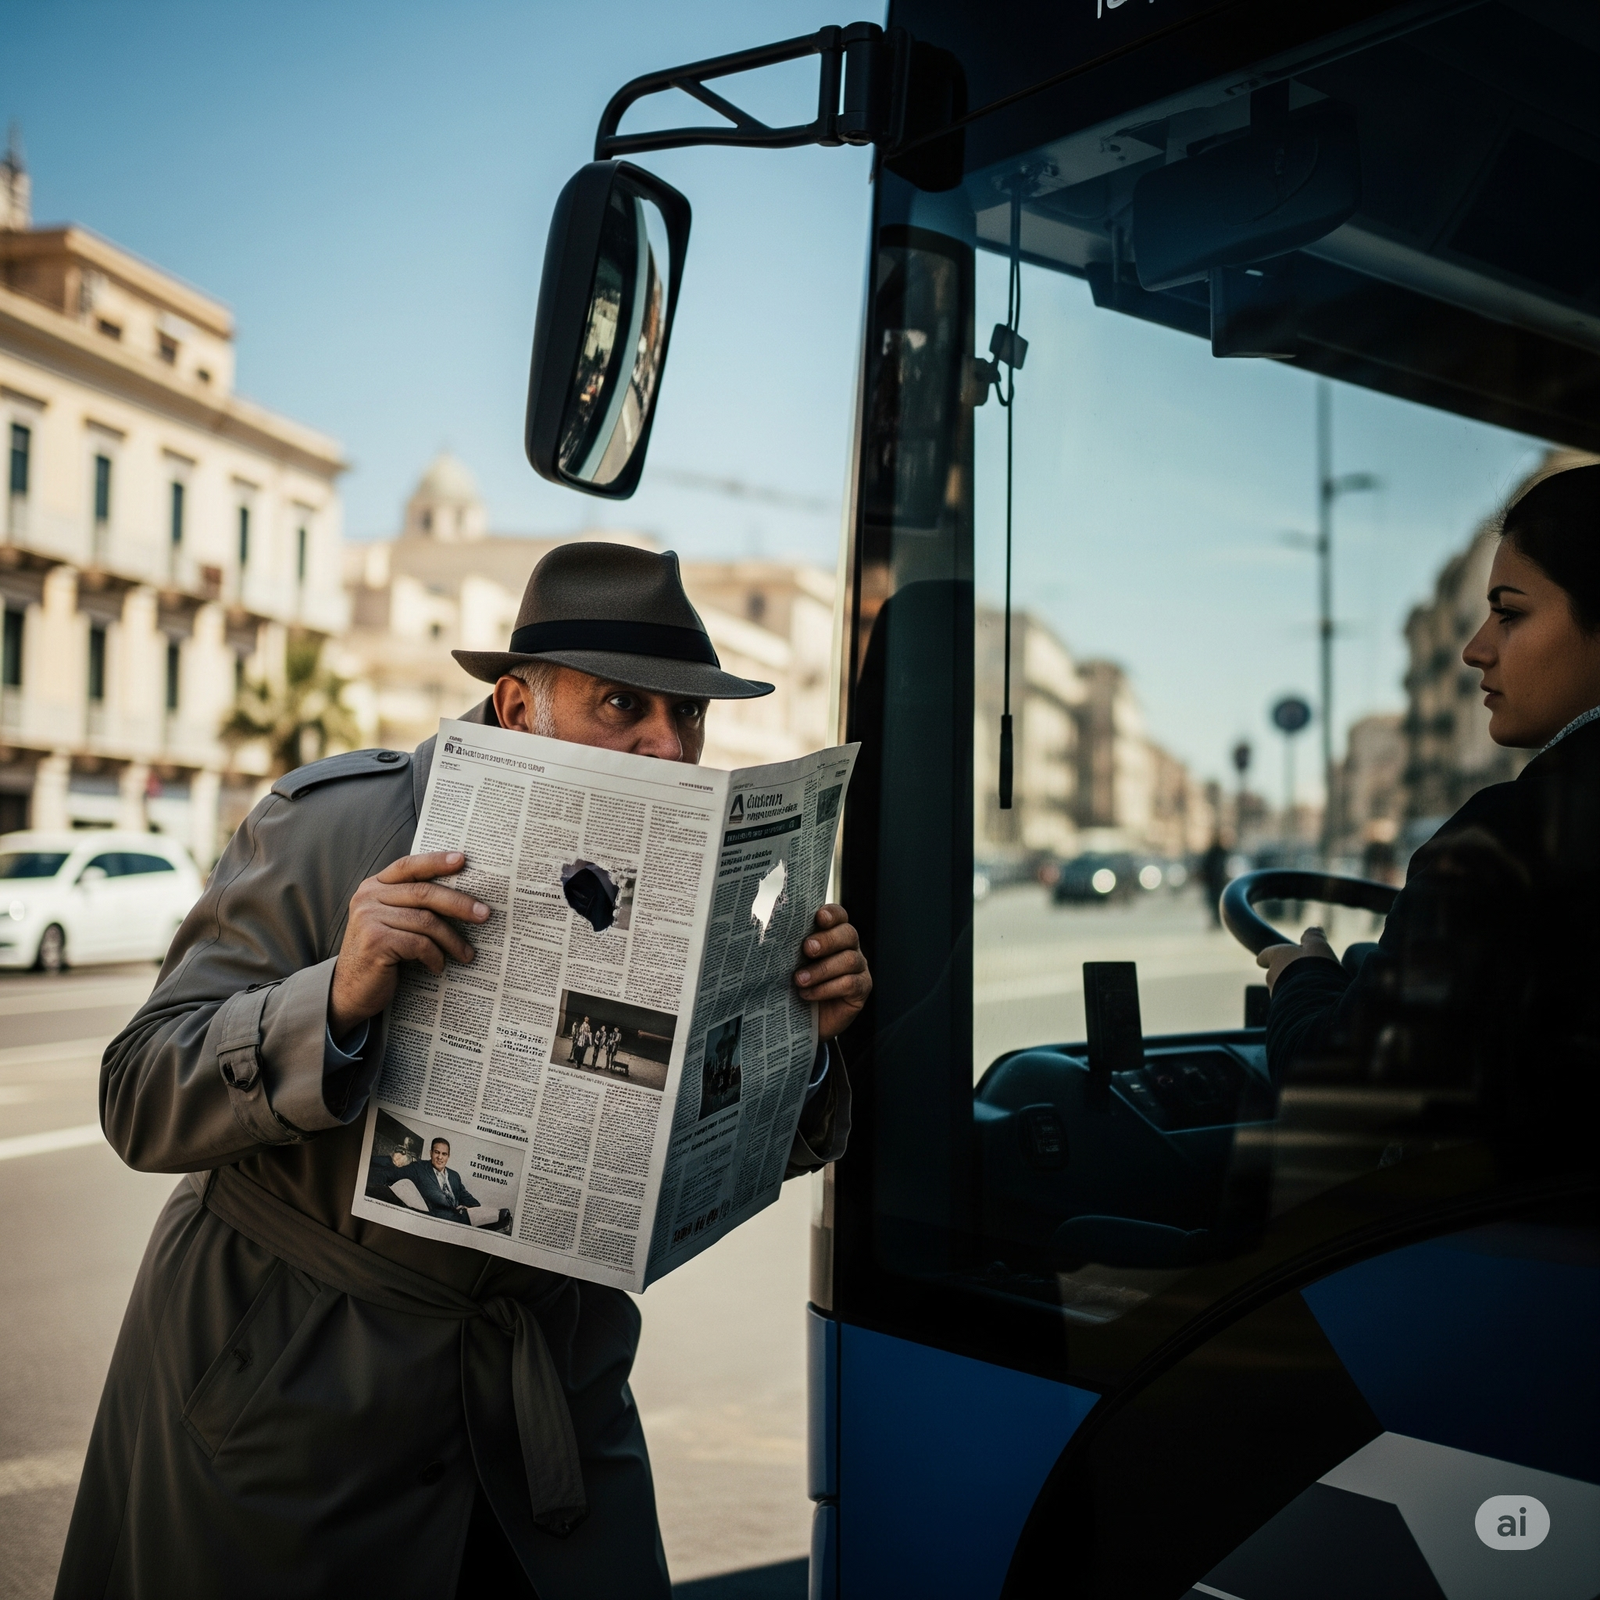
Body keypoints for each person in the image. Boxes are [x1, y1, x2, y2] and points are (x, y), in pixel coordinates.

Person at [58, 543, 872, 1600]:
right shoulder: (338, 823)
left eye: (690, 717)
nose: (667, 747)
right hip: (295, 1408)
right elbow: (135, 1094)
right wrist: (336, 996)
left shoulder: (702, 873)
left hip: (549, 1408)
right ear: (517, 708)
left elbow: (688, 1142)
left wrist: (800, 1041)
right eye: (624, 705)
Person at [1258, 465, 1600, 1102]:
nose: (1474, 649)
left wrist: (1302, 980)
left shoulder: (1510, 835)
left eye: (1508, 614)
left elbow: (1334, 1082)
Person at [388, 1136, 481, 1223]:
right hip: (435, 1221)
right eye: (437, 1152)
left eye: (444, 1154)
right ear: (431, 1153)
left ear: (448, 1156)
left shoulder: (454, 1176)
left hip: (458, 1221)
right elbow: (391, 1175)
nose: (440, 1157)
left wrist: (466, 1207)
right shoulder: (418, 1168)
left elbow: (474, 1204)